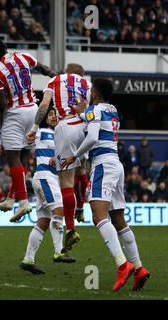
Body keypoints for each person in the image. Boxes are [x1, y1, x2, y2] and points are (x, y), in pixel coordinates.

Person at [61, 78, 150, 291]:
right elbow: (97, 122)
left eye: (91, 90)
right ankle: (139, 268)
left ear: (96, 93)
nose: (89, 93)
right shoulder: (112, 109)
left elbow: (92, 137)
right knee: (119, 220)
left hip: (102, 164)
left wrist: (74, 156)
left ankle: (122, 264)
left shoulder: (94, 109)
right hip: (116, 165)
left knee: (98, 216)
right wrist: (82, 113)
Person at [0, 38, 56, 220]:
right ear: (5, 47)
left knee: (13, 158)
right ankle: (11, 198)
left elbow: (2, 102)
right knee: (24, 157)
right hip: (32, 109)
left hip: (15, 113)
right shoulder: (24, 56)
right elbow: (44, 69)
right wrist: (56, 77)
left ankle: (23, 202)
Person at [26, 63, 91, 253]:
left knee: (66, 180)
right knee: (81, 167)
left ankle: (70, 229)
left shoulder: (55, 80)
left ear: (66, 71)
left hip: (66, 125)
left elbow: (44, 105)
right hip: (84, 125)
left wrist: (34, 129)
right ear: (81, 74)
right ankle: (80, 207)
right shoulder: (88, 85)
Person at [20, 108, 76, 274]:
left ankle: (28, 260)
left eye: (55, 115)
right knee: (59, 210)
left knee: (43, 221)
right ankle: (59, 252)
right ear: (46, 119)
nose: (53, 117)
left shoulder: (62, 136)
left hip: (53, 179)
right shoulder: (42, 132)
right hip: (44, 177)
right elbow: (26, 138)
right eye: (50, 115)